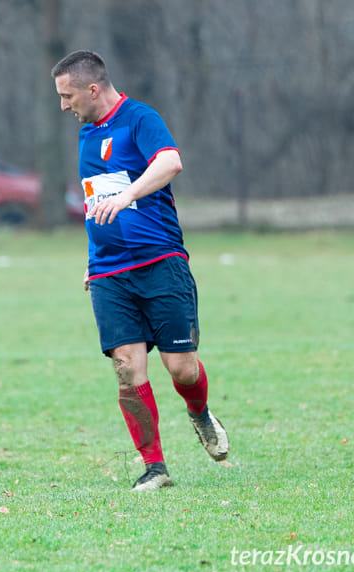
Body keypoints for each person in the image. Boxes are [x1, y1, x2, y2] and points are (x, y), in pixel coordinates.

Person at [51, 50, 229, 492]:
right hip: (109, 273)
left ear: (93, 89)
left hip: (161, 262)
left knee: (181, 369)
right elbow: (98, 203)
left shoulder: (139, 118)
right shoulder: (86, 135)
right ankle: (155, 467)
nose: (63, 105)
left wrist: (129, 194)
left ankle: (200, 413)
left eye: (67, 95)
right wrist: (93, 262)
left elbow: (170, 163)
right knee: (128, 368)